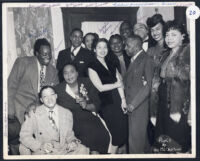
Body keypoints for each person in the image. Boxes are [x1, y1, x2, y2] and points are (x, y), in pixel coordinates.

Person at [55, 64, 110, 154]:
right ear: (62, 75)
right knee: (88, 141)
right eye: (66, 73)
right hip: (73, 122)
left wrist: (86, 106)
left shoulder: (87, 82)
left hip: (91, 118)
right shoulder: (58, 89)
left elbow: (97, 104)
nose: (69, 75)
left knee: (102, 136)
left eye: (72, 72)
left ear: (77, 73)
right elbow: (48, 101)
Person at [154, 20, 191, 153]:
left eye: (173, 35)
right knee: (164, 142)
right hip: (163, 102)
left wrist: (191, 111)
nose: (169, 38)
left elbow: (193, 85)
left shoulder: (188, 53)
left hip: (179, 104)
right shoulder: (165, 54)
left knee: (178, 142)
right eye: (167, 35)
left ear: (183, 36)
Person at [19, 86, 89, 155]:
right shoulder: (34, 113)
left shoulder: (67, 113)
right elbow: (24, 135)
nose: (50, 99)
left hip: (65, 150)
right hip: (45, 152)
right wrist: (40, 145)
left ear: (56, 96)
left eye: (52, 95)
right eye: (45, 96)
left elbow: (69, 135)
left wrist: (73, 142)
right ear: (41, 100)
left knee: (83, 149)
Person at [88, 38, 128, 154]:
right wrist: (116, 84)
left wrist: (123, 100)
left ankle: (111, 155)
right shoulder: (92, 66)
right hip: (106, 103)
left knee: (121, 132)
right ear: (94, 49)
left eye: (105, 47)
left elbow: (120, 83)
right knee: (114, 134)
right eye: (99, 47)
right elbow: (100, 87)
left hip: (117, 99)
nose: (102, 50)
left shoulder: (111, 62)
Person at [124, 35, 154, 153]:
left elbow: (149, 85)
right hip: (132, 105)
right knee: (141, 141)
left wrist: (133, 104)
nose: (125, 48)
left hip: (139, 106)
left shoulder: (147, 59)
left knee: (135, 142)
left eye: (128, 46)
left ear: (136, 47)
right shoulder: (134, 59)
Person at [146, 14, 168, 146]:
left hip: (167, 95)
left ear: (164, 28)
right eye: (152, 30)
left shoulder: (172, 47)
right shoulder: (150, 51)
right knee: (154, 131)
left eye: (157, 29)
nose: (154, 33)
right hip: (152, 97)